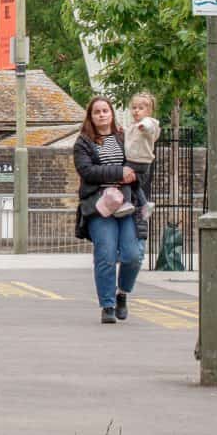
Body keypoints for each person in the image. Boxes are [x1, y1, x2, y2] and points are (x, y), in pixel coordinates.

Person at [75, 97, 142, 323]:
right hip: (99, 206)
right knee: (106, 255)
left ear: (112, 114)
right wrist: (119, 173)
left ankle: (122, 293)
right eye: (97, 112)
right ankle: (108, 305)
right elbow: (87, 171)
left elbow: (137, 162)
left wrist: (130, 173)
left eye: (105, 111)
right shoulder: (83, 142)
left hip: (125, 204)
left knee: (133, 255)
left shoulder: (124, 137)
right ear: (91, 117)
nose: (102, 115)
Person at [125, 91, 161, 237]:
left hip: (139, 161)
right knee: (135, 185)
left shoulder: (149, 122)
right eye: (134, 108)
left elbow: (151, 127)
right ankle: (144, 204)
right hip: (134, 160)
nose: (136, 111)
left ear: (149, 111)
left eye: (140, 108)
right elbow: (128, 135)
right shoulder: (133, 126)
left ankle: (127, 203)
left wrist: (143, 126)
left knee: (123, 180)